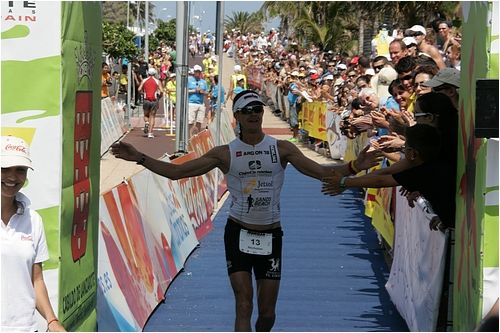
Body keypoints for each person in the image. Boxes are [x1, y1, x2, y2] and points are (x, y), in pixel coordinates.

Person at [110, 90, 381, 332]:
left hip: (271, 235)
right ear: (237, 116)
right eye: (248, 110)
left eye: (258, 109)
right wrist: (140, 157)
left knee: (267, 314)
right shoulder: (225, 153)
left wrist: (355, 166)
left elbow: (322, 172)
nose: (254, 115)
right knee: (243, 303)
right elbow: (177, 172)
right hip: (238, 232)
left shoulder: (281, 149)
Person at [322, 123, 455, 229]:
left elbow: (380, 180)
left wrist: (345, 182)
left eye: (405, 147)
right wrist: (346, 181)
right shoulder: (427, 162)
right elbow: (383, 172)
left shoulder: (421, 172)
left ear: (413, 153)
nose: (402, 150)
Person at [1, 136, 66, 332]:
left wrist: (52, 321)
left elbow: (36, 280)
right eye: (4, 168)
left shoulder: (33, 219)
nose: (12, 177)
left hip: (25, 328)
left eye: (20, 170)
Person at [138, 68, 163, 138]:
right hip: (154, 100)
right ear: (155, 74)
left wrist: (143, 94)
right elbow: (161, 91)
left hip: (146, 100)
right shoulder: (157, 81)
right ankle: (150, 133)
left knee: (146, 115)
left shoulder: (144, 80)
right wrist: (159, 97)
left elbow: (139, 89)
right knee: (152, 116)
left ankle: (146, 122)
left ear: (148, 73)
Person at [187, 64, 208, 137]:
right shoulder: (189, 80)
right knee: (190, 121)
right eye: (196, 71)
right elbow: (185, 91)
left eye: (199, 72)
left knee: (199, 121)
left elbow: (207, 92)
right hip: (191, 103)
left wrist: (203, 92)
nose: (197, 73)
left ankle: (197, 136)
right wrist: (194, 90)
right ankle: (190, 137)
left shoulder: (203, 82)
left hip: (201, 103)